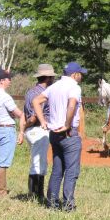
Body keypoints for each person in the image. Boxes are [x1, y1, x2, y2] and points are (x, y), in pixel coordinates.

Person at [33, 61, 87, 211]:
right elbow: (72, 105)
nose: (81, 77)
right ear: (74, 74)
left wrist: (43, 121)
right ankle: (68, 205)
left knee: (57, 169)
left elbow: (35, 101)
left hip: (54, 134)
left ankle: (52, 203)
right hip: (69, 134)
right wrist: (67, 124)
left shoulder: (54, 87)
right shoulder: (74, 87)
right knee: (71, 171)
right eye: (80, 74)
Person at [0, 68, 25, 195]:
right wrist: (21, 132)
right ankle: (1, 192)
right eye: (8, 79)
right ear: (2, 81)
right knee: (2, 162)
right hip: (7, 129)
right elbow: (19, 114)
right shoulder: (4, 96)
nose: (10, 81)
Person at [22, 63, 57, 201]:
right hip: (39, 129)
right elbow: (35, 116)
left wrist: (23, 129)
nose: (53, 79)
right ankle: (36, 195)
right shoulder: (42, 94)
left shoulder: (30, 92)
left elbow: (25, 114)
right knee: (39, 163)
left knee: (38, 161)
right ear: (48, 78)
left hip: (31, 130)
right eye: (52, 77)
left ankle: (36, 194)